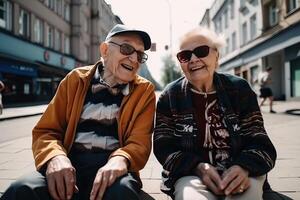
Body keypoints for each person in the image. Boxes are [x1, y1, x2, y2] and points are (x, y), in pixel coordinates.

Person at [1, 24, 156, 200]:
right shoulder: (75, 79)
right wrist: (55, 157)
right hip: (68, 163)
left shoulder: (144, 91)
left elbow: (140, 143)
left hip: (113, 168)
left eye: (140, 54)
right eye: (127, 48)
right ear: (105, 50)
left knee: (123, 193)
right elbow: (46, 131)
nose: (134, 58)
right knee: (21, 189)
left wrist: (121, 159)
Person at [153, 27, 277, 200]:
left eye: (201, 51)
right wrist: (197, 167)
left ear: (217, 56)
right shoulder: (170, 95)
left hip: (243, 171)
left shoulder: (239, 89)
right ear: (180, 64)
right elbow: (163, 147)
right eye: (185, 56)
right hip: (191, 176)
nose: (194, 59)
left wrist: (243, 166)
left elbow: (260, 142)